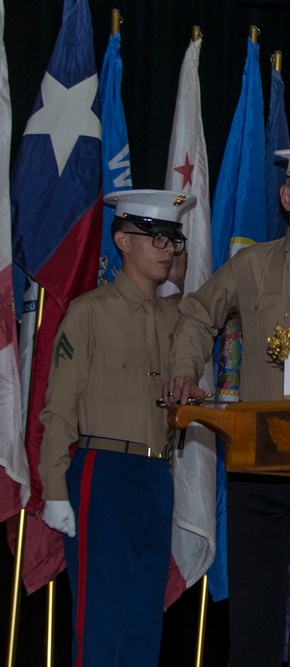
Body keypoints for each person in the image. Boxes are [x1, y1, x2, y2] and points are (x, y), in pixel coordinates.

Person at [164, 148, 290, 666]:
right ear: (287, 197)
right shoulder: (249, 265)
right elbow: (195, 314)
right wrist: (186, 367)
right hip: (258, 461)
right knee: (253, 618)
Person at [38, 190, 196, 666]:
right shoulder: (90, 311)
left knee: (145, 620)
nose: (169, 249)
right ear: (123, 241)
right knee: (101, 620)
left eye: (175, 239)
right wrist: (54, 487)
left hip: (155, 476)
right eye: (158, 238)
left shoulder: (175, 319)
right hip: (103, 472)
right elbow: (58, 408)